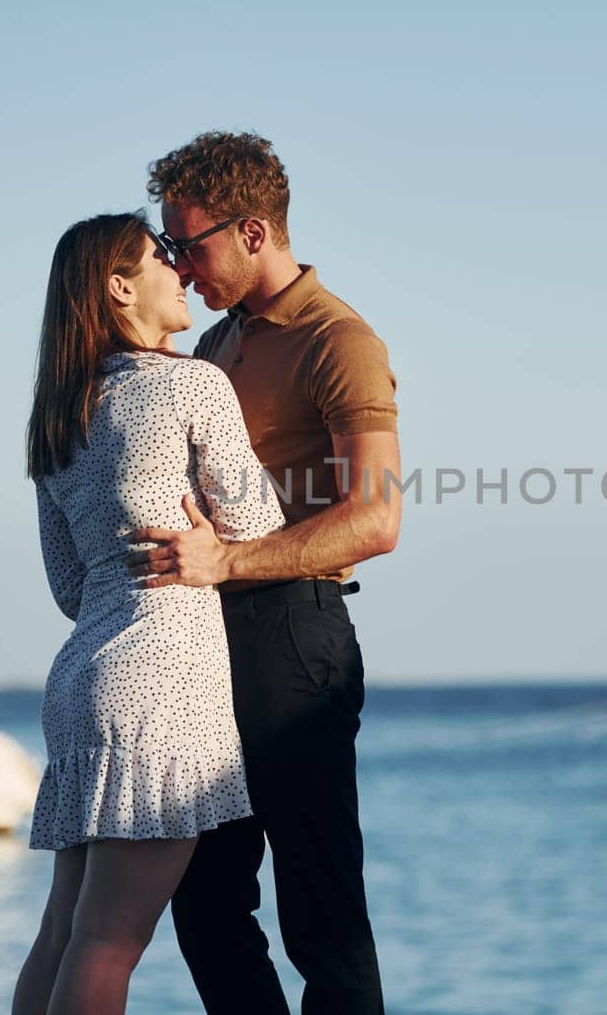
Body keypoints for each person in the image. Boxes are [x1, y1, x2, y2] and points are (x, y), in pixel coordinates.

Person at [131, 131, 402, 1015]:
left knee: (323, 922)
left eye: (189, 243)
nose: (177, 262)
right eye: (167, 246)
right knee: (204, 903)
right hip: (210, 644)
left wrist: (229, 558)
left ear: (254, 232)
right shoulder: (213, 343)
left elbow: (377, 517)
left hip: (296, 638)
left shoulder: (340, 340)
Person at [12, 213, 284, 1015]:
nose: (181, 270)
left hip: (82, 681)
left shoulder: (59, 417)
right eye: (161, 257)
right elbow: (256, 526)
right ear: (120, 286)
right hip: (164, 678)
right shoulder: (191, 383)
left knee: (63, 931)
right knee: (109, 941)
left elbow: (69, 586)